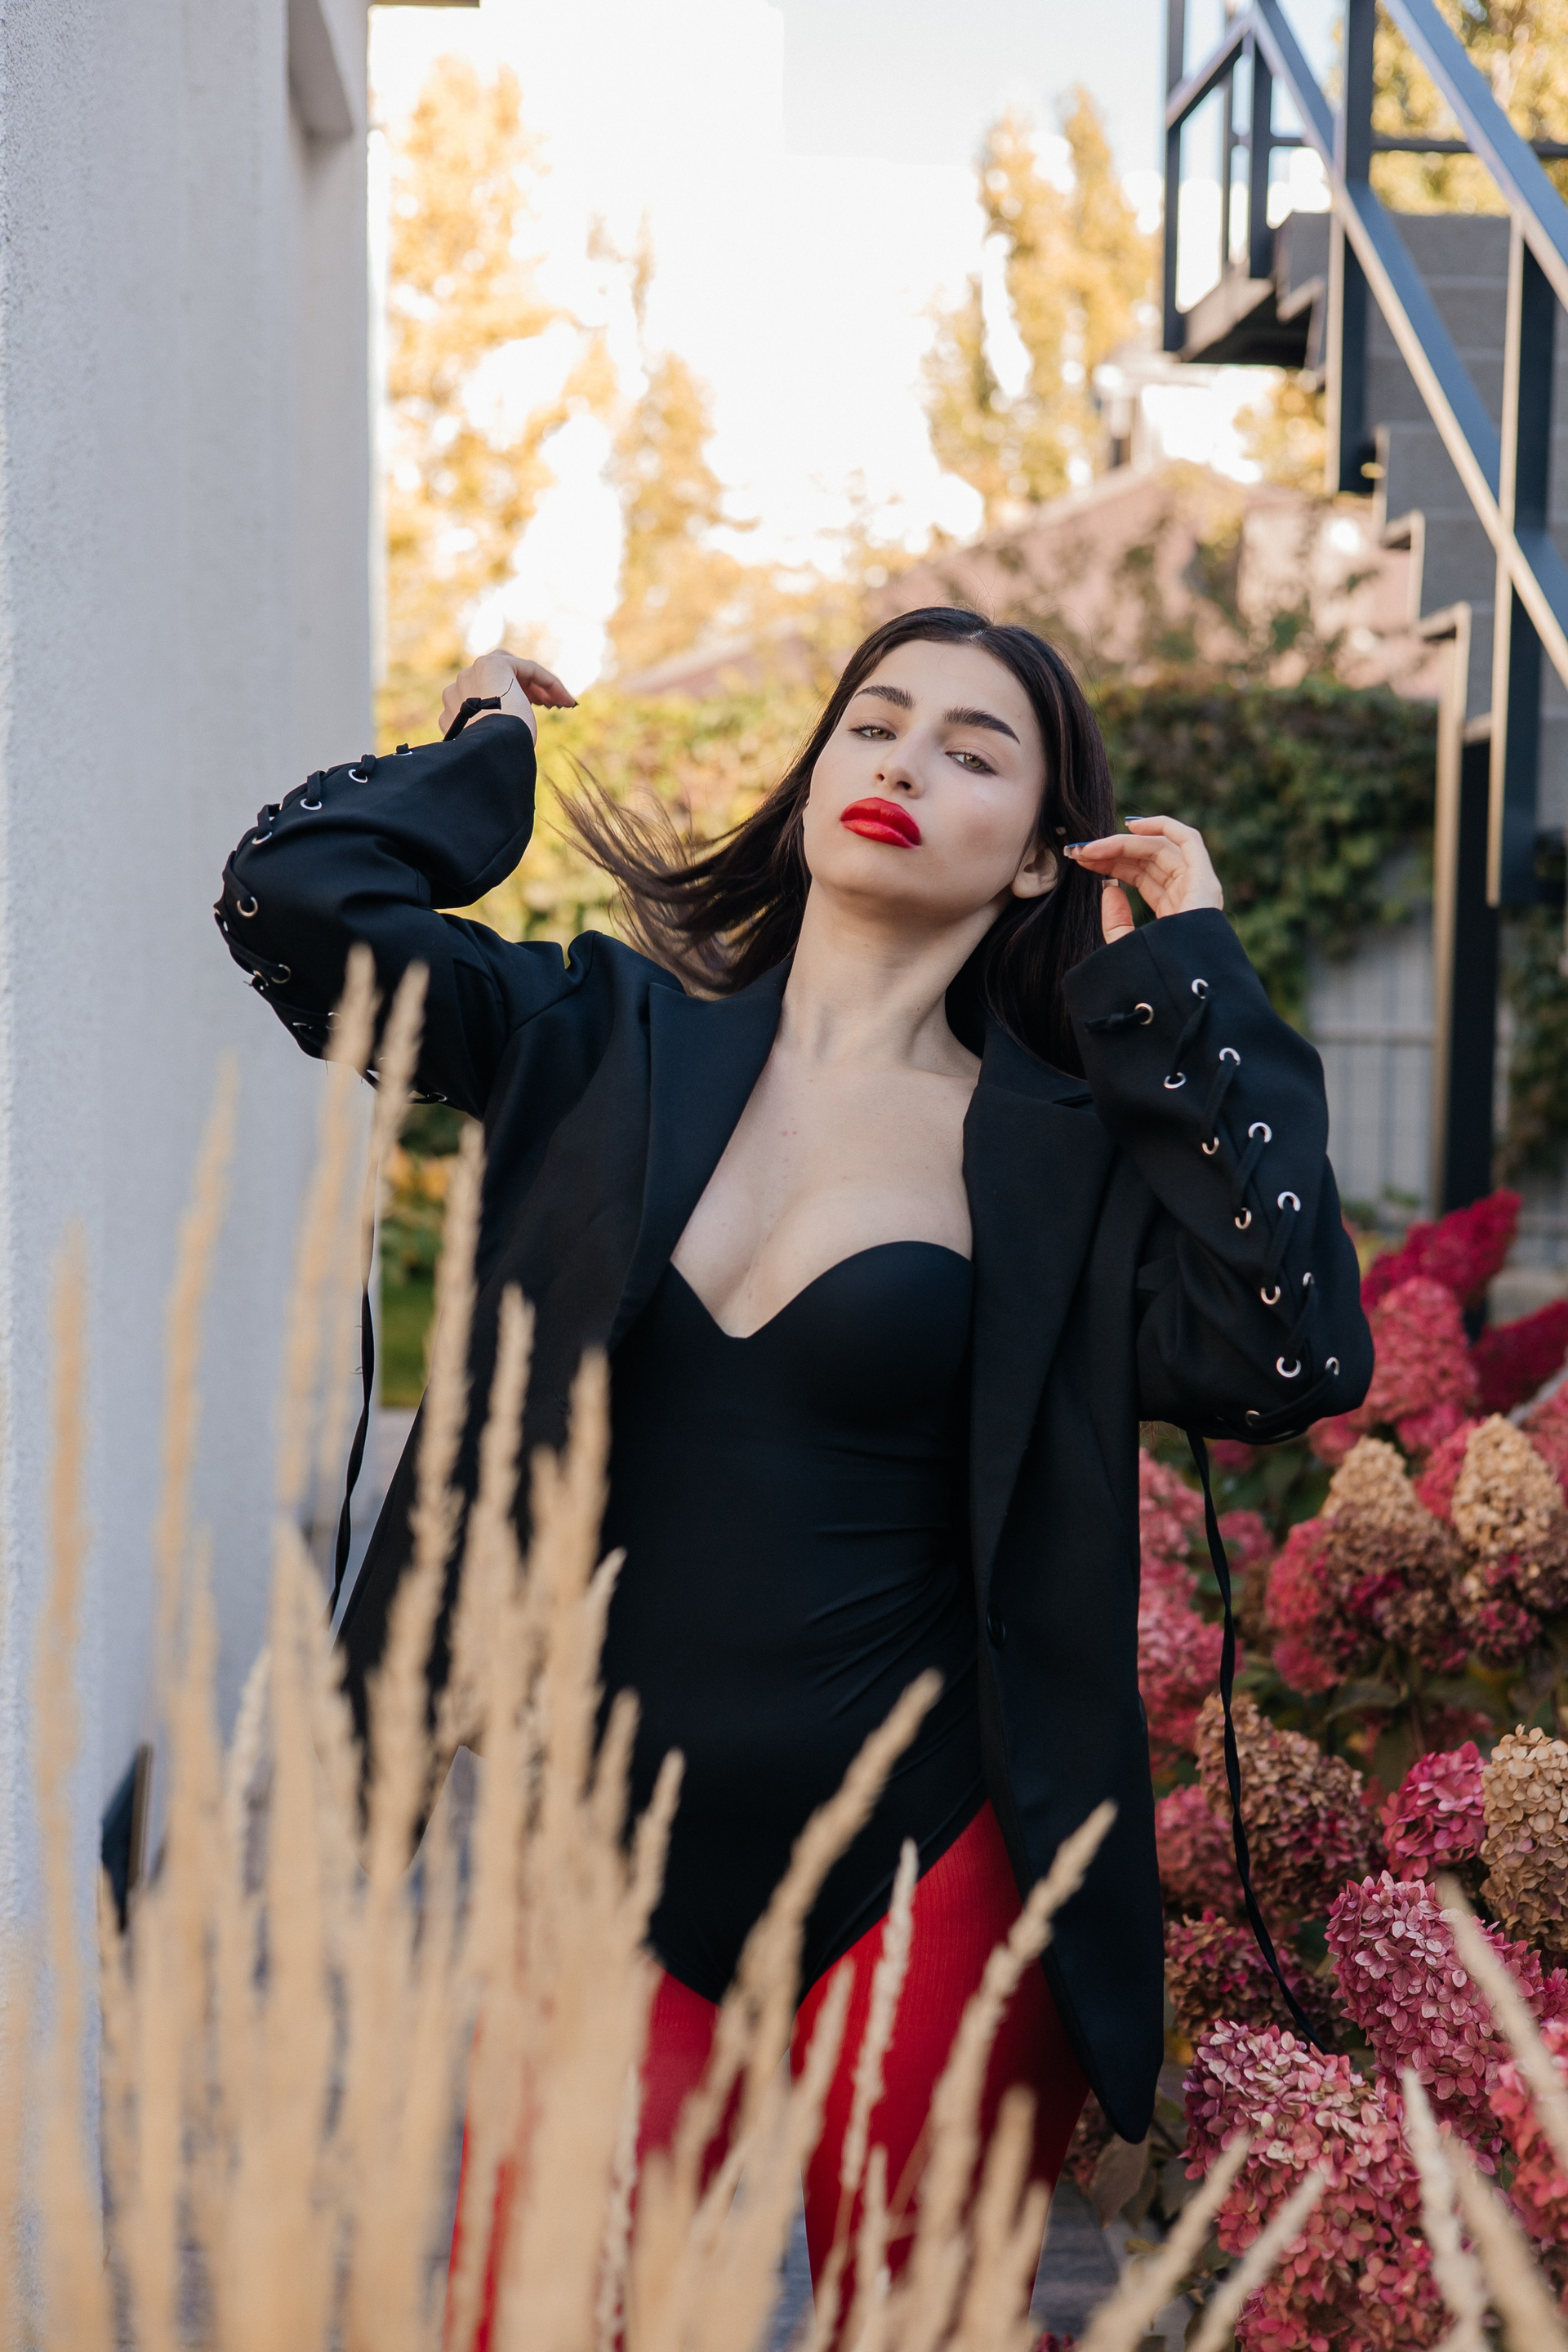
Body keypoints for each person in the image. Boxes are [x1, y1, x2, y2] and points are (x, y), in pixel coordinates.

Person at [216, 607, 1371, 2338]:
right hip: (608, 1846)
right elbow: (293, 902)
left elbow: (1295, 1355)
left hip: (939, 1855)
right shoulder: (598, 1037)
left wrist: (1191, 971)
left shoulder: (1057, 1154)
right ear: (819, 773)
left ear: (1042, 854)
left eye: (974, 751)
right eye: (875, 725)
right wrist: (479, 759)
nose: (906, 763)